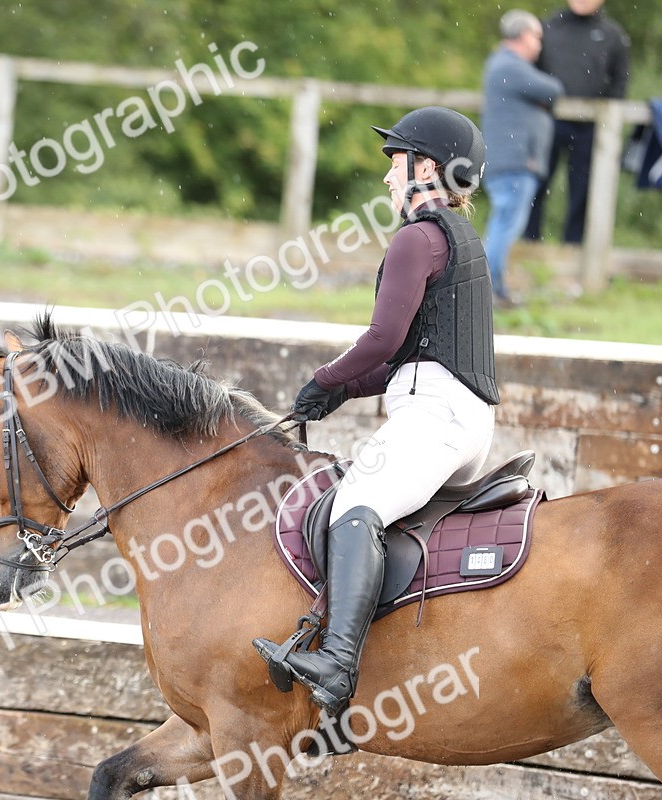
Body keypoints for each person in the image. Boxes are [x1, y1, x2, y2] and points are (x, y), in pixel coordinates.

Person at [253, 107, 500, 717]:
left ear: (427, 167)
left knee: (352, 507)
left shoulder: (417, 237)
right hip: (458, 417)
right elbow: (411, 357)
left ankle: (336, 663)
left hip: (435, 419)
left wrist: (323, 375)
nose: (389, 180)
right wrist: (340, 392)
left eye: (396, 165)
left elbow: (383, 338)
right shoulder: (458, 237)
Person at [523, 0, 631, 244]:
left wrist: (606, 121)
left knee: (583, 192)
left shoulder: (613, 35)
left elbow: (620, 82)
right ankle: (527, 244)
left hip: (591, 128)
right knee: (535, 184)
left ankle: (574, 248)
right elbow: (529, 73)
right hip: (546, 123)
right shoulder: (547, 27)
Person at [482, 10, 564, 305]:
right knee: (505, 224)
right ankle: (489, 287)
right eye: (536, 36)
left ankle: (490, 286)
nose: (540, 44)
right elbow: (553, 89)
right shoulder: (510, 67)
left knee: (504, 222)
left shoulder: (504, 66)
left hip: (512, 163)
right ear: (521, 35)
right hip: (513, 164)